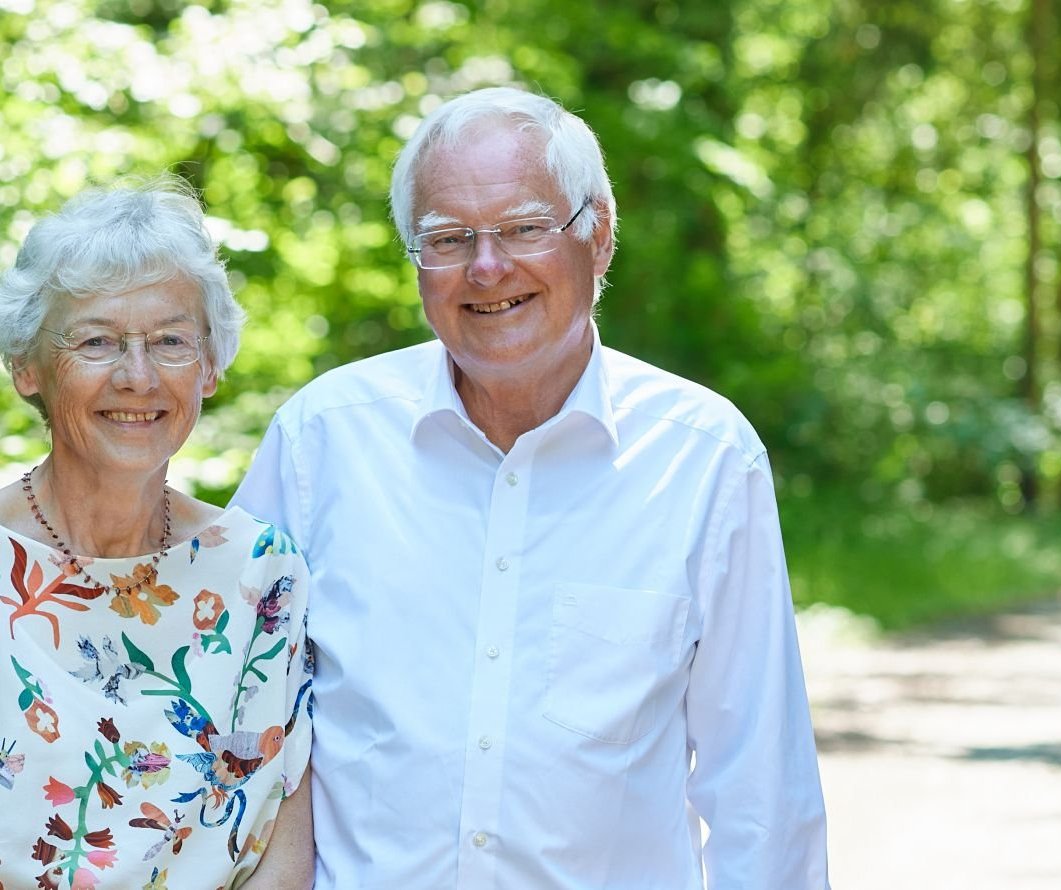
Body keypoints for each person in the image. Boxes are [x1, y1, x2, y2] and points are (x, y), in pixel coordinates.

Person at [233, 86, 829, 888]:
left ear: (600, 235)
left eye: (523, 228)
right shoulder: (321, 439)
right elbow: (233, 715)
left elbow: (758, 783)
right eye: (448, 238)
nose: (487, 268)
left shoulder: (703, 457)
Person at [0, 178, 314, 890]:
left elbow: (283, 849)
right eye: (97, 341)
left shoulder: (263, 574)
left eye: (171, 341)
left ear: (208, 368)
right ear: (27, 367)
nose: (137, 377)